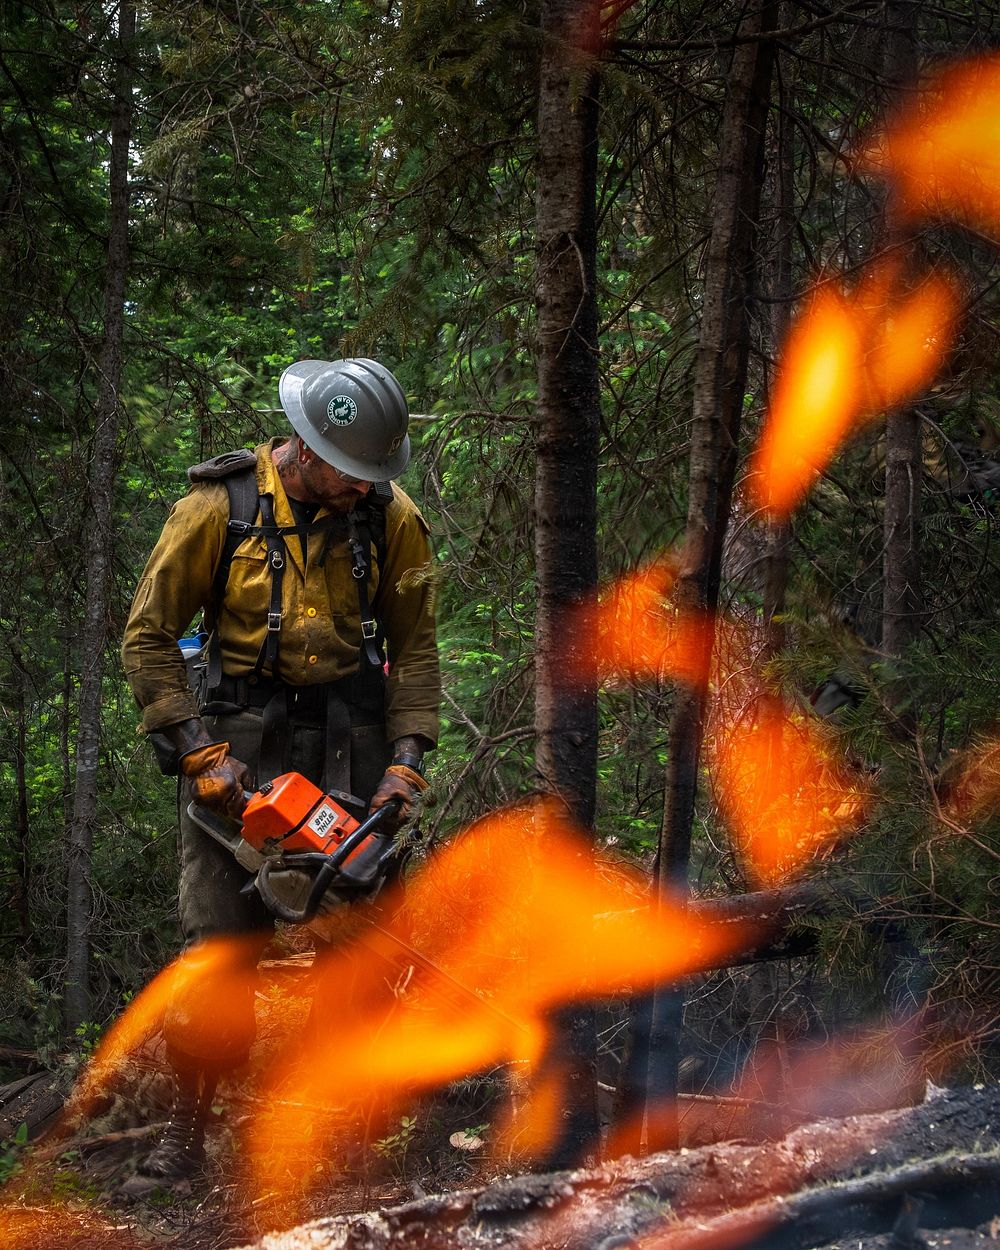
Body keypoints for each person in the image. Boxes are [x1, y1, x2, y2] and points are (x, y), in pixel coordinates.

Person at [121, 357, 440, 1182]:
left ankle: (350, 1130)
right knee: (220, 951)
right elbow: (149, 636)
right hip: (238, 748)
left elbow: (414, 647)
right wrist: (197, 752)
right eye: (351, 473)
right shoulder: (216, 510)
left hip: (349, 745)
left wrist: (405, 763)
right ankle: (188, 1131)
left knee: (359, 952)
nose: (362, 489)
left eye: (374, 475)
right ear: (309, 448)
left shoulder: (388, 517)